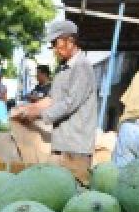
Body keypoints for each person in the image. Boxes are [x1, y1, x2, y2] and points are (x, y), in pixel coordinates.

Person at [10, 20, 97, 172]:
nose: (54, 50)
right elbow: (52, 99)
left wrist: (38, 114)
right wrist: (28, 108)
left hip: (76, 146)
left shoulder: (82, 67)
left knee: (74, 190)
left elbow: (69, 104)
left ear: (70, 41)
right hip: (59, 143)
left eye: (56, 43)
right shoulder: (62, 68)